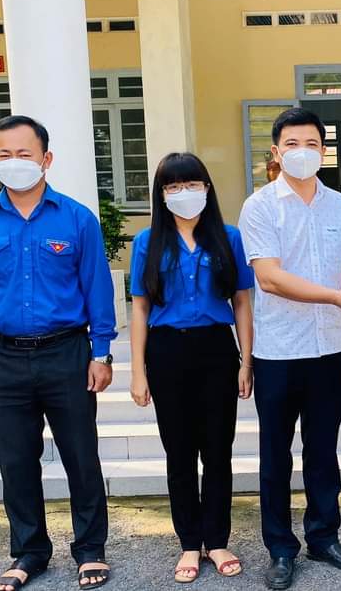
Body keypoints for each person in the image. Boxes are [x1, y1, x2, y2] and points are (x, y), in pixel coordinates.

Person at [0, 115, 115, 591]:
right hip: (3, 359)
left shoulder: (77, 218)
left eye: (25, 153)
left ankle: (90, 550)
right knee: (16, 461)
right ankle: (29, 551)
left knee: (81, 456)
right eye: (5, 154)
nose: (14, 162)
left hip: (67, 354)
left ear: (46, 159)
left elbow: (97, 288)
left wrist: (101, 351)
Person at [239, 107, 341, 590]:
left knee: (323, 450)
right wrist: (336, 296)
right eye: (292, 144)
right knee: (275, 455)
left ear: (324, 150)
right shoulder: (259, 207)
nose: (302, 152)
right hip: (278, 351)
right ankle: (280, 548)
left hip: (329, 348)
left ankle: (323, 536)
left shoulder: (338, 204)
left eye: (312, 144)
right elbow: (270, 278)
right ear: (276, 152)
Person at [128, 152, 255, 583]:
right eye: (173, 186)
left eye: (191, 184)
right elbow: (140, 308)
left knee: (218, 451)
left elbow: (242, 302)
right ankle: (188, 542)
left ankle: (216, 540)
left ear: (207, 188)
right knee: (179, 452)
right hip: (167, 352)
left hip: (216, 350)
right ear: (161, 195)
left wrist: (246, 361)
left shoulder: (228, 237)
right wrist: (138, 371)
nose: (183, 193)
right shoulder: (148, 241)